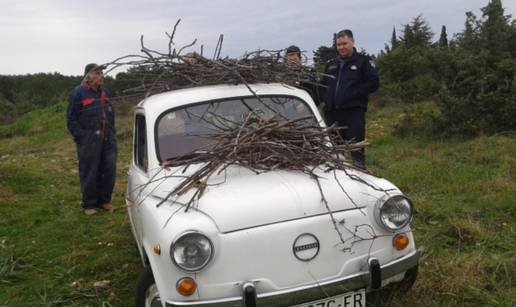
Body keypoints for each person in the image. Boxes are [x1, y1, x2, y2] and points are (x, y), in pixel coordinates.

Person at [321, 30, 379, 168]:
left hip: (353, 114)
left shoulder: (363, 62)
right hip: (332, 115)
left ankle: (360, 176)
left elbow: (374, 83)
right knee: (334, 153)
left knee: (356, 150)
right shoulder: (331, 65)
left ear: (352, 42)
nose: (341, 47)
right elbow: (322, 87)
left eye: (344, 43)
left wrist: (354, 93)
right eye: (338, 44)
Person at [67, 63, 117, 215]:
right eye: (96, 73)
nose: (100, 76)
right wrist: (81, 137)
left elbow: (111, 115)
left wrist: (112, 133)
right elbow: (71, 119)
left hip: (108, 138)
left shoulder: (105, 93)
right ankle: (89, 204)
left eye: (101, 73)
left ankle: (104, 201)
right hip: (88, 139)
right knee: (90, 171)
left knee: (109, 170)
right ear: (87, 76)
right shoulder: (78, 93)